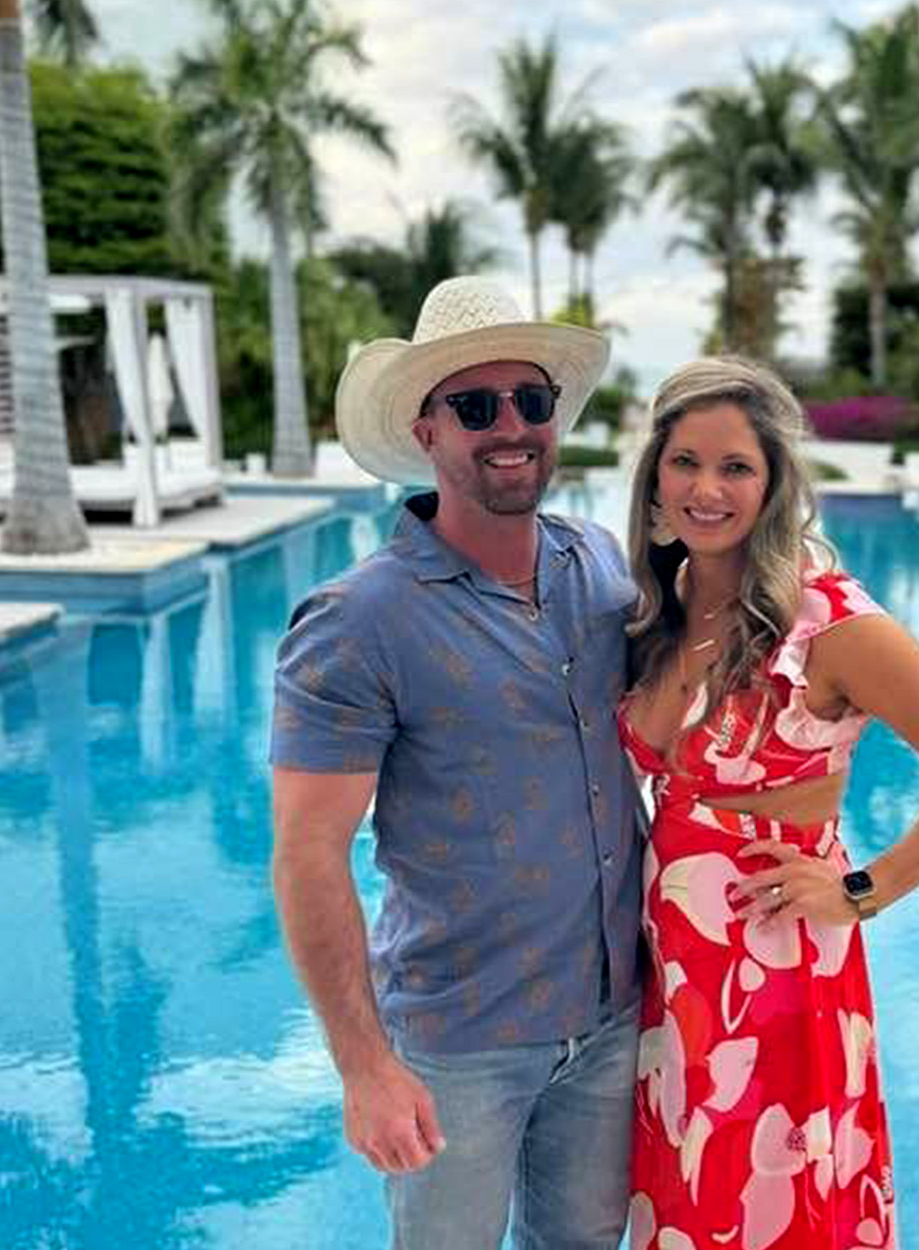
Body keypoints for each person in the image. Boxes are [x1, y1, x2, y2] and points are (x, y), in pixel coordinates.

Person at [269, 276, 644, 1250]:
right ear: (426, 429)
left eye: (531, 399)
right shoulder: (357, 621)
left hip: (613, 1019)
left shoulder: (599, 564)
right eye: (475, 406)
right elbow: (307, 855)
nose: (509, 425)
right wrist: (364, 1067)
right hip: (458, 1044)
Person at [618, 357, 919, 1248]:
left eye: (736, 467)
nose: (706, 489)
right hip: (675, 976)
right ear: (654, 476)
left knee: (769, 1204)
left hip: (775, 971)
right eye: (685, 462)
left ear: (773, 485)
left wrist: (860, 892)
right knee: (688, 1199)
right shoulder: (666, 605)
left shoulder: (829, 625)